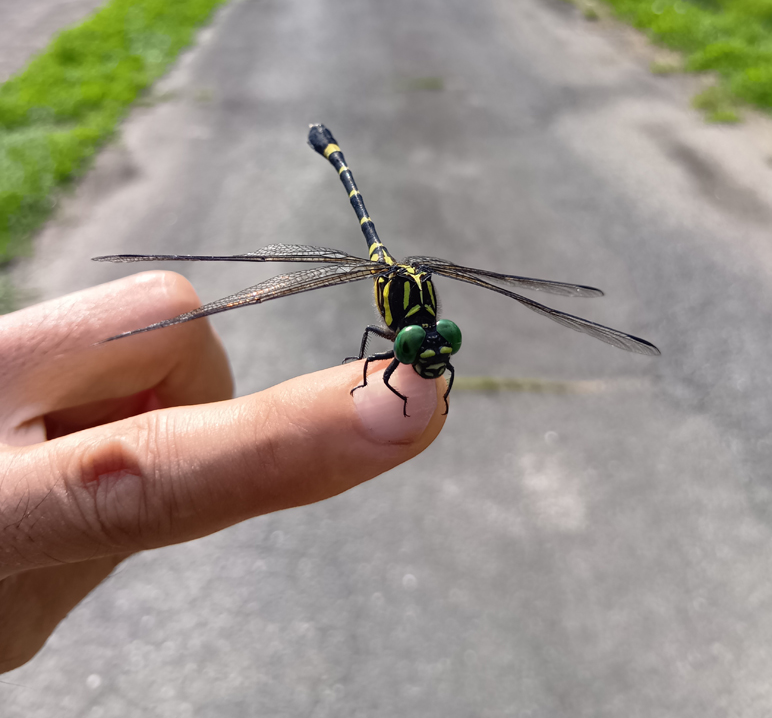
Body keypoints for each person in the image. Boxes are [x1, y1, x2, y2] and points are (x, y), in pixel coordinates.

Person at [0, 271, 446, 673]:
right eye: (411, 347)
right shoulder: (389, 331)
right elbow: (374, 344)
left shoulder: (429, 336)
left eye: (445, 341)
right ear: (399, 334)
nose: (436, 350)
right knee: (168, 304)